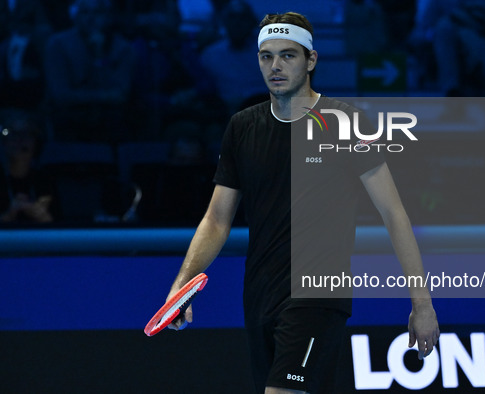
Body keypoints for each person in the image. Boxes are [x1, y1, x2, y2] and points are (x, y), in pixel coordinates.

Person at [165, 11, 439, 394]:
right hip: (259, 295)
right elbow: (216, 220)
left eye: (288, 55)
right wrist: (182, 286)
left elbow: (393, 214)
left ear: (311, 60)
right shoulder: (242, 127)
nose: (275, 66)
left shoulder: (346, 123)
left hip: (318, 296)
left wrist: (422, 304)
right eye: (266, 56)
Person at [44, 0, 134, 142]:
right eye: (85, 12)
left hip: (110, 123)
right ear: (75, 16)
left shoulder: (123, 48)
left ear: (108, 16)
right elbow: (60, 95)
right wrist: (105, 96)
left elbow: (121, 94)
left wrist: (99, 56)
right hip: (69, 120)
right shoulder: (58, 44)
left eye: (98, 12)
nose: (91, 18)